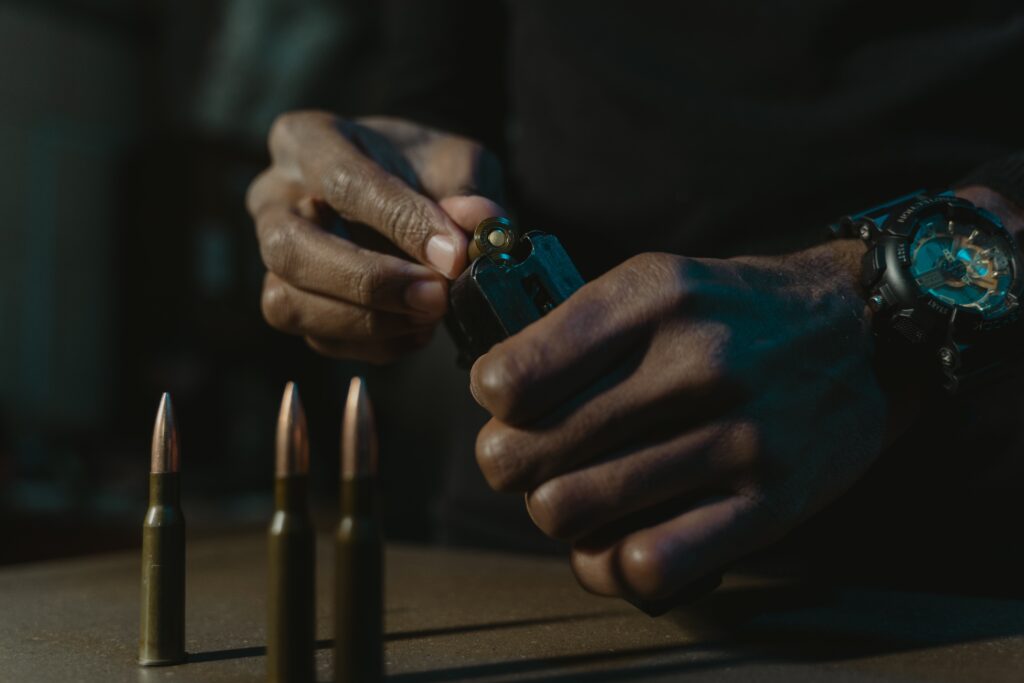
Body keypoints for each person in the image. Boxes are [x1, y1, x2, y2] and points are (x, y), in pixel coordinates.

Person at [245, 2, 1024, 604]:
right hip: (534, 526)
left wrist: (880, 309)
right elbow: (434, 87)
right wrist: (373, 178)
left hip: (964, 547)